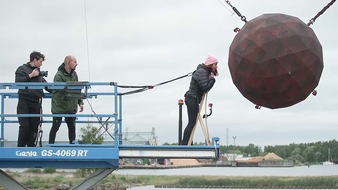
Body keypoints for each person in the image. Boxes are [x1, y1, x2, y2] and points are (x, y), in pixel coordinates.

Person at [15, 51, 50, 147]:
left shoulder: (39, 73)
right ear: (35, 60)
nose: (41, 64)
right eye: (40, 61)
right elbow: (18, 82)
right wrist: (30, 75)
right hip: (24, 100)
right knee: (25, 125)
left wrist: (61, 90)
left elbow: (47, 86)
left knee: (35, 126)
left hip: (36, 101)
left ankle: (31, 146)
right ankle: (20, 147)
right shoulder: (22, 69)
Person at [182, 55, 218, 145]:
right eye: (215, 64)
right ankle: (184, 145)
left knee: (192, 122)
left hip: (192, 98)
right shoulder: (202, 72)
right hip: (192, 98)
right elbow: (205, 87)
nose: (216, 66)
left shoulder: (203, 71)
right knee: (191, 123)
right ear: (210, 65)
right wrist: (212, 80)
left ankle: (188, 143)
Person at [49, 55, 84, 144]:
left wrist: (80, 102)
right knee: (56, 126)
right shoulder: (58, 75)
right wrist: (69, 91)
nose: (77, 64)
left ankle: (72, 145)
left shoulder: (74, 75)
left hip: (71, 107)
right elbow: (59, 91)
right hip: (59, 107)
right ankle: (51, 145)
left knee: (72, 128)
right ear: (68, 63)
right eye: (75, 62)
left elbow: (77, 89)